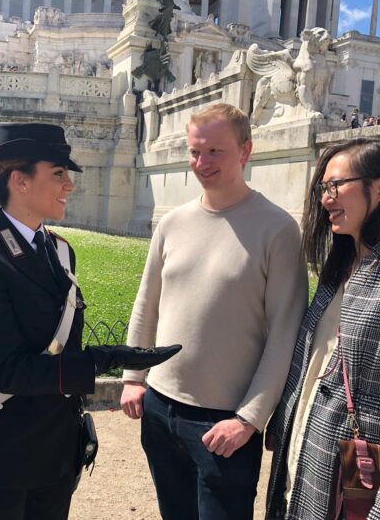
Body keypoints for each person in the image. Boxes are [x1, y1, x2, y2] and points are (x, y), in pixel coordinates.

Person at [0, 122, 181, 520]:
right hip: (2, 452)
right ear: (20, 181)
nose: (68, 186)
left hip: (55, 453)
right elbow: (10, 372)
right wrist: (101, 360)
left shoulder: (60, 250)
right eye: (58, 174)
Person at [119, 103, 308, 519]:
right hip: (160, 407)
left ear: (246, 151)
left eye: (215, 152)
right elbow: (146, 302)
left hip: (227, 423)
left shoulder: (278, 229)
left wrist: (250, 419)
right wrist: (134, 376)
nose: (201, 163)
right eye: (195, 151)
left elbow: (285, 333)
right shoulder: (172, 222)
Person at [265, 137, 380, 519]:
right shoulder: (342, 266)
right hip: (305, 472)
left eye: (336, 186)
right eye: (322, 188)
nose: (325, 198)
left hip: (358, 493)